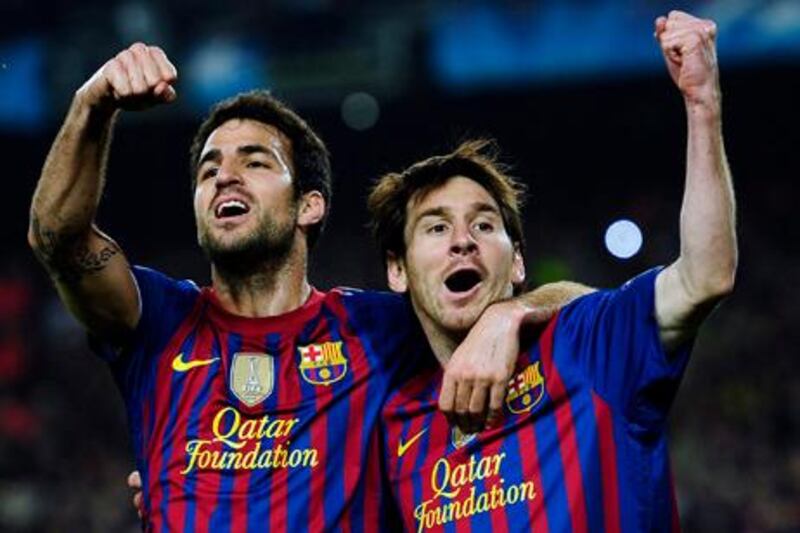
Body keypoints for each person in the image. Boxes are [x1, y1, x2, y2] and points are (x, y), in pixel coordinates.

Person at [28, 44, 584, 530]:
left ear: (308, 206)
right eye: (208, 169)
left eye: (255, 161)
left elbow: (587, 308)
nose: (225, 176)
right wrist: (92, 104)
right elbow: (57, 238)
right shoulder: (157, 321)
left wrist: (505, 316)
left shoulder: (382, 328)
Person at [369, 11, 735, 531]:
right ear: (397, 271)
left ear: (517, 261)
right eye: (434, 228)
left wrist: (703, 106)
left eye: (484, 224)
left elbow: (706, 276)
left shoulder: (585, 348)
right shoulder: (394, 423)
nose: (462, 241)